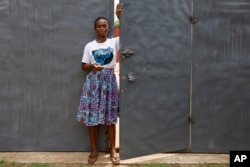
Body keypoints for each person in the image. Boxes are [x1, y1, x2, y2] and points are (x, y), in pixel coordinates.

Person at [76, 4, 121, 165]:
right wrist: (92, 67)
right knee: (92, 117)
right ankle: (94, 150)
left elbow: (130, 36)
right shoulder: (90, 46)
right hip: (94, 84)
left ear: (108, 28)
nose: (102, 28)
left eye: (104, 26)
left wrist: (119, 17)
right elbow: (83, 66)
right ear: (95, 29)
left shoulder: (114, 43)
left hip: (109, 82)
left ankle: (113, 150)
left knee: (111, 118)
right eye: (99, 26)